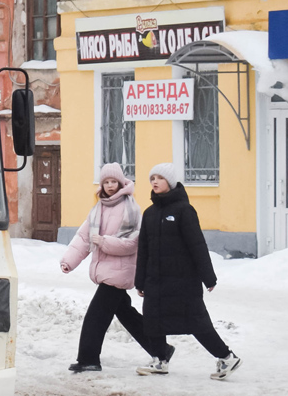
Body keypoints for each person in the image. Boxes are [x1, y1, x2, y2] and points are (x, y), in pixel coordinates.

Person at [60, 163, 171, 373]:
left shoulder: (130, 208)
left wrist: (103, 242)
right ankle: (161, 348)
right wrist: (69, 261)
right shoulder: (99, 207)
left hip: (120, 271)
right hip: (106, 270)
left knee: (96, 315)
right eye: (106, 182)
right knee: (125, 313)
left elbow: (132, 243)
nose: (110, 186)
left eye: (114, 182)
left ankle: (89, 359)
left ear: (121, 183)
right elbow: (84, 237)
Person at [135, 163, 242, 380]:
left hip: (182, 280)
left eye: (160, 178)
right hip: (155, 279)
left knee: (196, 321)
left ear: (171, 182)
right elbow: (143, 250)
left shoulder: (184, 210)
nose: (155, 182)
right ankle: (159, 360)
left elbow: (197, 246)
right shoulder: (149, 213)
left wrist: (208, 277)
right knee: (152, 320)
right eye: (152, 178)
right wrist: (140, 281)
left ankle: (227, 357)